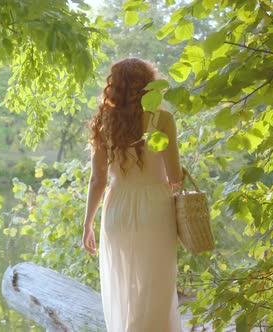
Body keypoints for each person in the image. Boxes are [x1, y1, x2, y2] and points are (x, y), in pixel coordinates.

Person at [82, 58, 183, 332]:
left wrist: (87, 223)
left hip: (117, 209)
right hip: (155, 208)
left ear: (114, 87)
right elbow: (175, 177)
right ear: (149, 85)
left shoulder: (103, 122)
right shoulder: (162, 119)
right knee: (156, 289)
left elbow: (97, 179)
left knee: (125, 287)